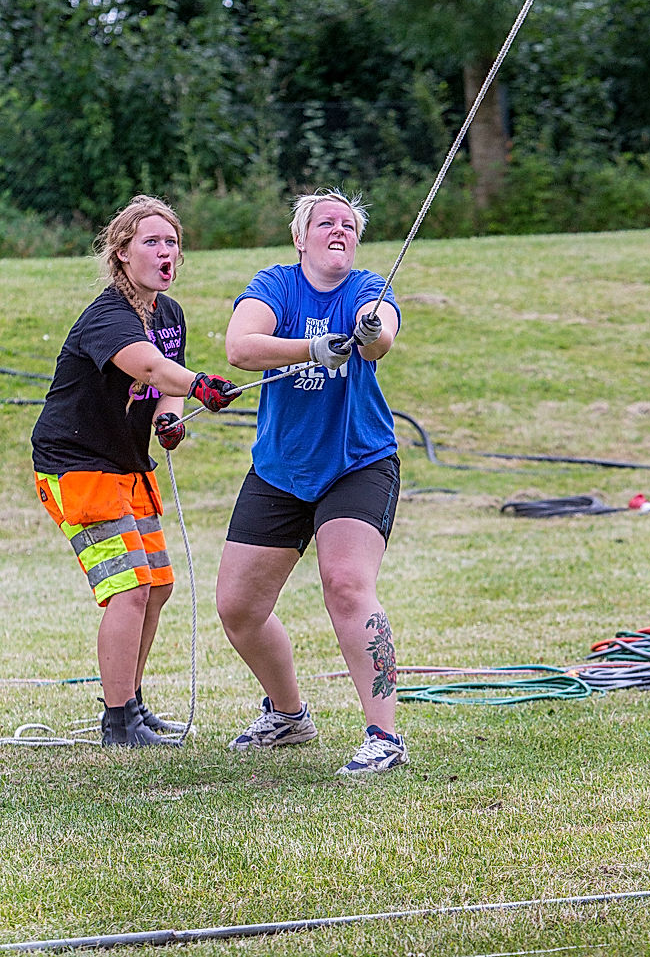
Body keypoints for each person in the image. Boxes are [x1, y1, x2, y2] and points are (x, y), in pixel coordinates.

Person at [31, 194, 241, 747]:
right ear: (122, 253)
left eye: (172, 241)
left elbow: (160, 387)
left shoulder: (169, 316)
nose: (166, 252)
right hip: (76, 466)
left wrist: (172, 418)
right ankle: (118, 721)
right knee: (128, 590)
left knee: (158, 584)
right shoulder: (108, 317)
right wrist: (198, 384)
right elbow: (145, 365)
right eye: (152, 241)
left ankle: (132, 703)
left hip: (126, 464)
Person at [216, 188, 407, 775]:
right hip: (280, 469)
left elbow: (383, 338)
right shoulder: (275, 285)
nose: (339, 231)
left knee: (346, 583)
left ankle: (384, 737)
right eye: (326, 223)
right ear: (301, 238)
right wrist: (311, 347)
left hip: (358, 462)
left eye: (349, 224)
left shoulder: (367, 289)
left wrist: (369, 330)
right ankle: (289, 715)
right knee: (238, 608)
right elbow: (240, 348)